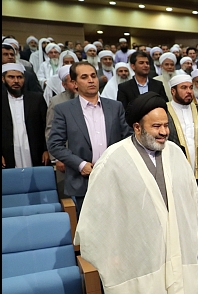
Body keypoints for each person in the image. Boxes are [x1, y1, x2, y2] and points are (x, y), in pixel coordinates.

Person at [74, 92, 198, 294]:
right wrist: (111, 252)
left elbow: (190, 196)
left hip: (176, 244)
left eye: (166, 125)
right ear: (137, 127)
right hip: (138, 251)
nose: (164, 132)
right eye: (156, 126)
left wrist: (189, 230)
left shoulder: (175, 153)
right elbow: (100, 211)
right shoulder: (114, 159)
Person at [48, 61, 131, 216]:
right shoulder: (64, 110)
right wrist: (80, 165)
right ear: (74, 83)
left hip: (114, 176)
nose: (91, 80)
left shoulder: (115, 107)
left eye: (93, 76)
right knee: (89, 227)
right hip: (83, 179)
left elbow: (127, 138)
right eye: (84, 77)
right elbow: (54, 145)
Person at [165, 74, 198, 194]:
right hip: (174, 173)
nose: (189, 91)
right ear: (173, 91)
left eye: (191, 87)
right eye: (184, 88)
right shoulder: (164, 111)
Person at [2, 63, 49, 169]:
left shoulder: (36, 99)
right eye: (11, 77)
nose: (16, 81)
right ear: (3, 79)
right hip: (8, 153)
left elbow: (46, 126)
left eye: (19, 77)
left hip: (35, 152)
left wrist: (46, 149)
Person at [45, 64, 77, 171]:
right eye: (72, 81)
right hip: (65, 156)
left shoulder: (88, 98)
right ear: (64, 84)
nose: (75, 84)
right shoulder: (56, 102)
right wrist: (57, 158)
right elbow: (50, 131)